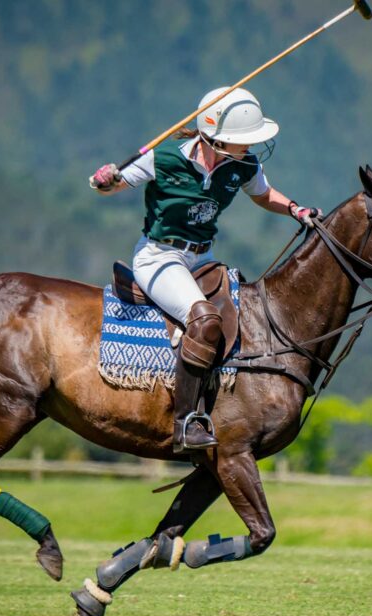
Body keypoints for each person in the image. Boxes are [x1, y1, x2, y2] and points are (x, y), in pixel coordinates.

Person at [89, 86, 322, 454]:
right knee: (204, 320)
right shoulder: (163, 157)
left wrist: (296, 209)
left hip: (203, 258)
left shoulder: (242, 166)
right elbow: (113, 186)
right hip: (159, 257)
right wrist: (105, 180)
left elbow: (263, 194)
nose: (250, 148)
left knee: (242, 318)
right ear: (214, 138)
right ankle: (186, 422)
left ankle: (227, 402)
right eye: (243, 141)